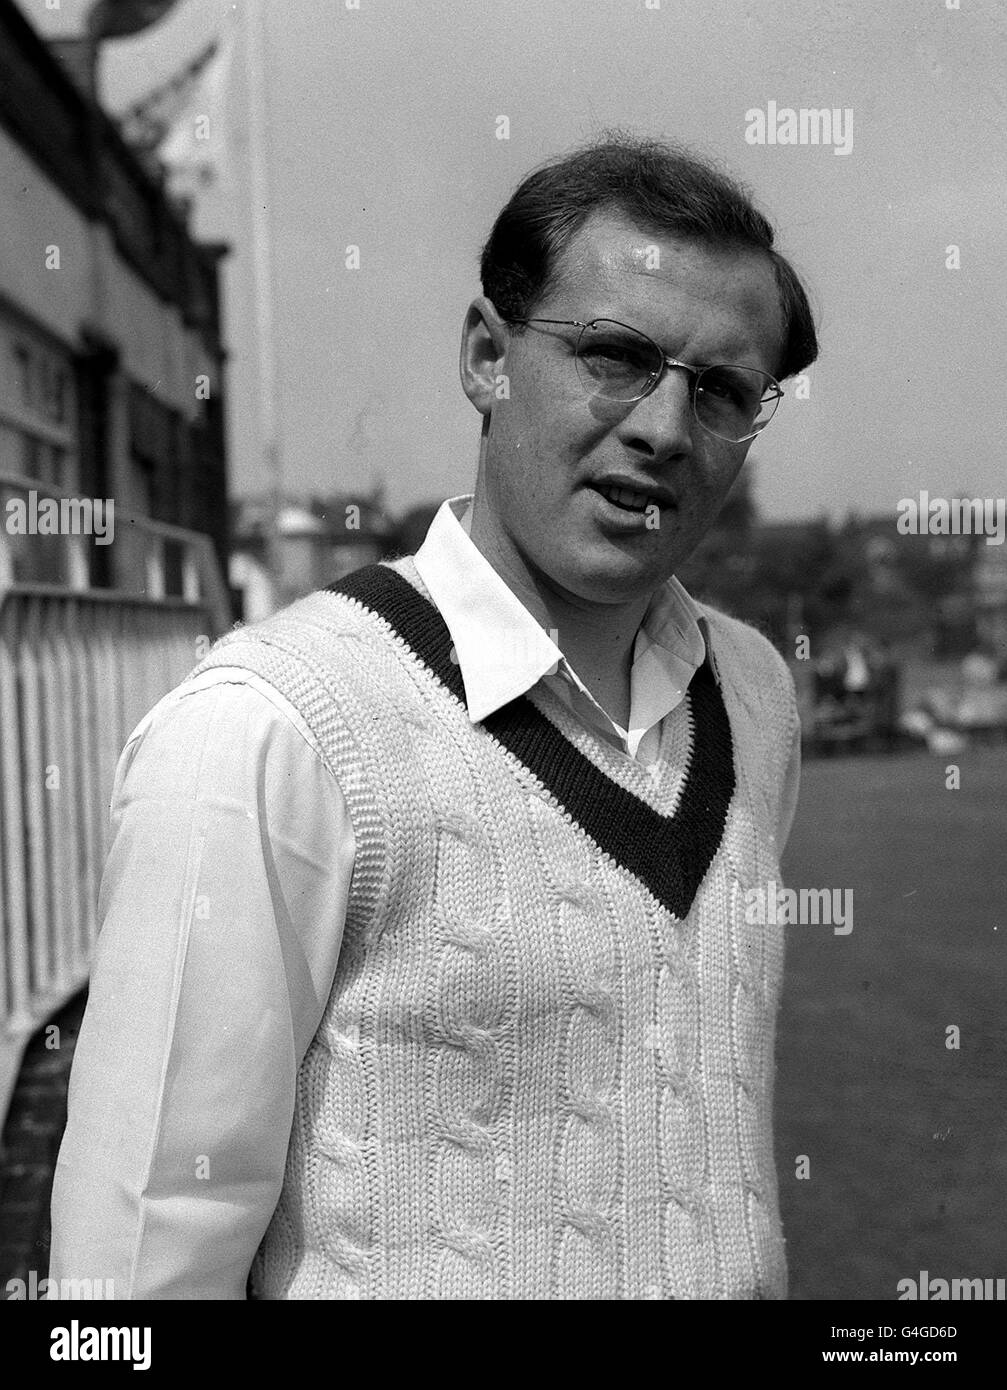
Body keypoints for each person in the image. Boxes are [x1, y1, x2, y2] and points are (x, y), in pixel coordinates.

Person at [49, 134, 818, 1300]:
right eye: (614, 356)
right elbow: (138, 1267)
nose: (663, 429)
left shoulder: (753, 693)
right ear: (485, 357)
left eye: (717, 391)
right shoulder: (270, 729)